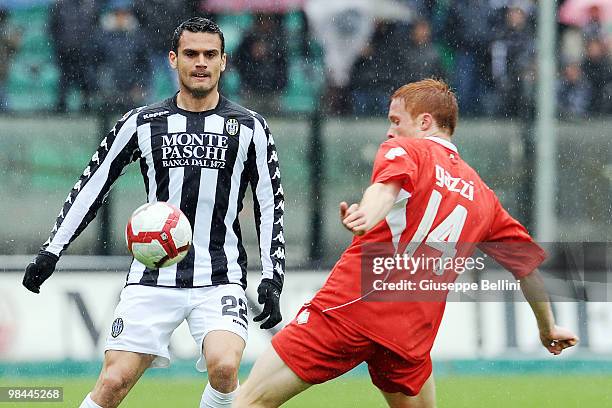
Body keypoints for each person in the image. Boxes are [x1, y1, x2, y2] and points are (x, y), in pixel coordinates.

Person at [234, 79, 579, 408]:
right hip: (409, 337)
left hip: (352, 309)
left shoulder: (407, 150)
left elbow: (384, 190)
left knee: (249, 399)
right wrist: (547, 327)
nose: (390, 130)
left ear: (425, 122)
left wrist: (366, 215)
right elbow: (527, 269)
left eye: (396, 120)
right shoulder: (483, 197)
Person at [22, 17, 285, 408]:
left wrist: (272, 276)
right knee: (113, 381)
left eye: (210, 55)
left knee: (225, 367)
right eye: (191, 54)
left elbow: (269, 202)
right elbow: (93, 185)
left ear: (224, 62)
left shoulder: (250, 127)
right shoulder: (141, 122)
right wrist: (52, 250)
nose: (200, 62)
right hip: (151, 276)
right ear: (172, 59)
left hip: (220, 277)